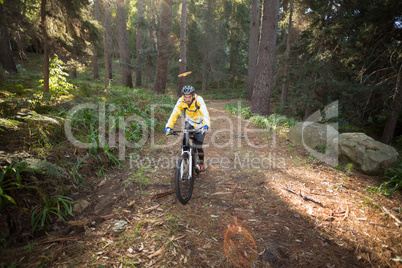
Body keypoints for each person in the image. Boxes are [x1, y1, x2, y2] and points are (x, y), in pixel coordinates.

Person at [165, 85, 210, 174]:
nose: (187, 99)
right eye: (185, 97)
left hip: (201, 124)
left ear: (193, 95)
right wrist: (169, 126)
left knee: (198, 145)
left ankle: (201, 163)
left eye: (189, 97)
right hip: (189, 123)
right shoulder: (181, 101)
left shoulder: (199, 100)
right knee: (185, 138)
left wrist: (206, 125)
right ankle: (185, 155)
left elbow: (205, 113)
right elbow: (174, 113)